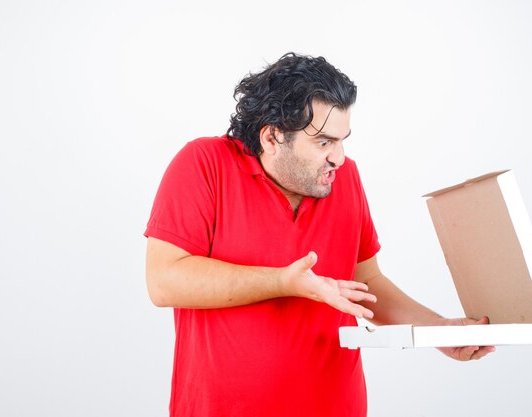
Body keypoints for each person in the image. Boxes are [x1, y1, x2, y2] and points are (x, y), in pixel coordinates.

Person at [144, 52, 494, 417]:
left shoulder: (346, 179)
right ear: (272, 137)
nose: (339, 158)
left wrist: (438, 332)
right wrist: (285, 282)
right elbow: (164, 280)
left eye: (342, 141)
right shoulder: (203, 163)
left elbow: (366, 282)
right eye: (324, 142)